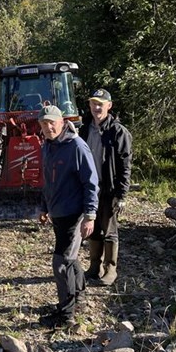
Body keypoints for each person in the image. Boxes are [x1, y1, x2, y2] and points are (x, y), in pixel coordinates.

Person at [38, 105, 99, 328]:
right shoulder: (48, 146)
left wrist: (90, 214)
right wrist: (44, 207)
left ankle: (66, 315)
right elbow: (47, 180)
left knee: (61, 263)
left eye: (51, 122)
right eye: (44, 124)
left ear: (62, 122)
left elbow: (91, 183)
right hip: (57, 212)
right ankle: (79, 298)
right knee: (70, 258)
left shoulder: (76, 146)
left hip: (74, 213)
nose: (48, 127)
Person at [78, 88, 133, 285]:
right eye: (94, 103)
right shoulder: (84, 129)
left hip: (109, 189)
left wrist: (122, 195)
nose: (96, 107)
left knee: (109, 230)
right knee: (93, 228)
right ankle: (95, 266)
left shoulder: (119, 132)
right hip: (89, 189)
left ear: (109, 106)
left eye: (101, 104)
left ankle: (111, 268)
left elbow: (125, 166)